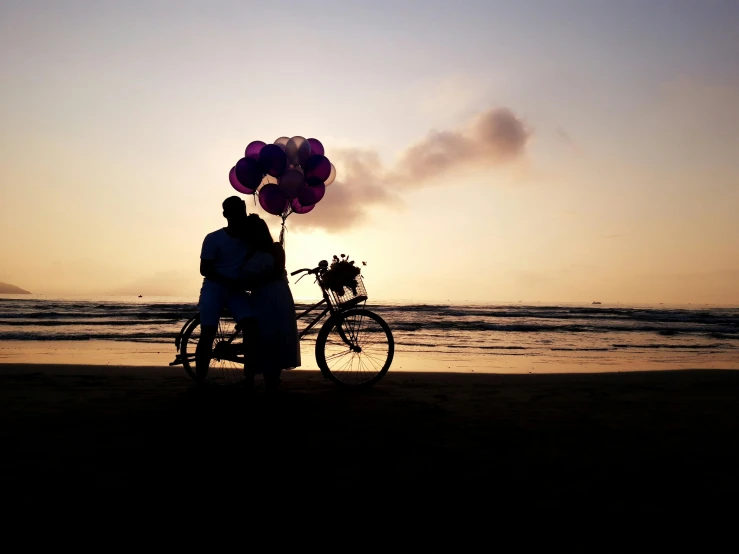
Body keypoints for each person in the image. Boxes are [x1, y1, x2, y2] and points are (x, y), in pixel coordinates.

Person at [196, 196, 257, 384]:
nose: (242, 213)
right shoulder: (213, 238)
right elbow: (204, 269)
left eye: (242, 209)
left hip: (235, 291)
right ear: (226, 214)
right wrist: (229, 280)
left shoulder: (249, 239)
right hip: (214, 288)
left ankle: (249, 376)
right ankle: (200, 377)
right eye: (237, 210)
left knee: (251, 327)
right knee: (208, 332)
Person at [240, 214, 301, 391]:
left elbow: (276, 271)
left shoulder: (275, 248)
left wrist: (254, 280)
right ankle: (266, 377)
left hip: (275, 294)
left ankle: (272, 377)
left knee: (278, 334)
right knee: (264, 335)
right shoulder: (251, 252)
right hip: (263, 296)